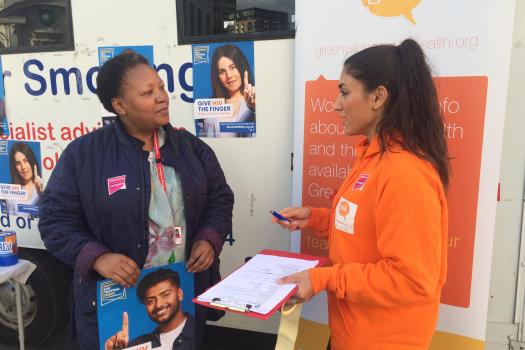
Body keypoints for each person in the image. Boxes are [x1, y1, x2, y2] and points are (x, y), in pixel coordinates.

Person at [38, 50, 234, 350]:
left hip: (180, 294)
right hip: (116, 300)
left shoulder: (192, 149)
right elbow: (55, 220)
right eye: (147, 92)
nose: (162, 97)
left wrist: (209, 238)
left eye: (162, 87)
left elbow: (220, 197)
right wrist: (97, 257)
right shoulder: (84, 155)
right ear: (120, 106)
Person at [273, 39, 449, 350]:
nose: (336, 104)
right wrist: (315, 218)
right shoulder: (373, 157)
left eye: (344, 91)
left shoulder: (405, 173)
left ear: (378, 96)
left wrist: (323, 280)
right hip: (351, 335)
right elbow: (362, 230)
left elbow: (410, 279)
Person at [105, 269, 195, 350]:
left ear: (180, 294)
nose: (159, 305)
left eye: (165, 295)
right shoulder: (136, 345)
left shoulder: (203, 330)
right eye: (150, 301)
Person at [201, 44, 256, 138]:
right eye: (222, 72)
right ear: (217, 77)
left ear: (241, 67)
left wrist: (254, 109)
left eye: (233, 67)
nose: (229, 76)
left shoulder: (255, 101)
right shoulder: (210, 106)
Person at [5, 141, 43, 216]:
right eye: (18, 163)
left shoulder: (43, 185)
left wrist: (42, 194)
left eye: (25, 161)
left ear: (32, 161)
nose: (23, 167)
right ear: (14, 167)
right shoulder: (9, 190)